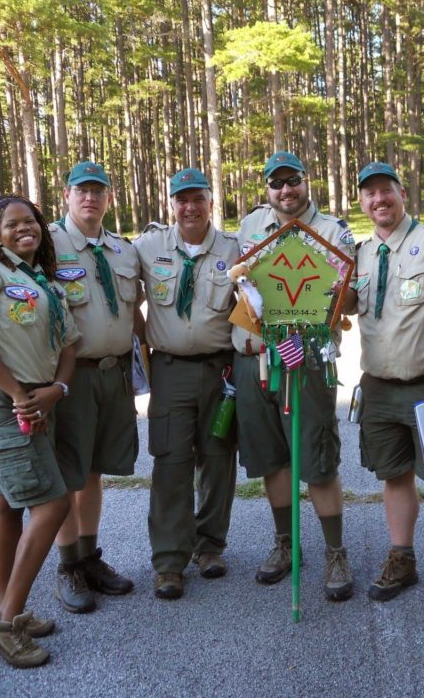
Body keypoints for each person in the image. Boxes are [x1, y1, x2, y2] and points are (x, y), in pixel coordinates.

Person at [0, 162, 141, 615]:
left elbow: (136, 310)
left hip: (100, 375)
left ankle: (87, 558)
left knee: (91, 472)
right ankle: (65, 569)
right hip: (44, 386)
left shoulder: (119, 251)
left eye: (98, 190)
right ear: (66, 195)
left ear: (109, 197)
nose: (90, 197)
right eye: (81, 189)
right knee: (63, 476)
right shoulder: (39, 244)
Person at [341, 162, 424, 618]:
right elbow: (346, 305)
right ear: (361, 202)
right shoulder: (360, 254)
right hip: (378, 387)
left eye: (387, 190)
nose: (379, 199)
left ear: (402, 193)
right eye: (370, 194)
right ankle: (403, 558)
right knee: (394, 476)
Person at [0, 195, 80, 668]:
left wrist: (56, 390)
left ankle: (0, 605)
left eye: (31, 221)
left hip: (33, 399)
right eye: (12, 223)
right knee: (52, 505)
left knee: (7, 504)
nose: (25, 228)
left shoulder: (41, 279)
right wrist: (18, 394)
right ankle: (6, 624)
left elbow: (68, 345)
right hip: (2, 400)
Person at [232, 150, 355, 601]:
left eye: (293, 181)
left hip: (306, 360)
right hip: (255, 358)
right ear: (267, 188)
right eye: (276, 183)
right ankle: (285, 544)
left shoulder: (333, 232)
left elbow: (349, 298)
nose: (286, 190)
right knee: (272, 459)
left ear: (306, 181)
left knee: (316, 460)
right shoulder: (250, 226)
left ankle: (335, 552)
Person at [134, 168, 240, 599]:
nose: (190, 207)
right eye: (182, 199)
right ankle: (169, 562)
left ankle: (210, 546)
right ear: (171, 205)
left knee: (217, 459)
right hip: (170, 370)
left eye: (198, 199)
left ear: (211, 203)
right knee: (171, 464)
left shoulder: (234, 249)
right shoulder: (147, 247)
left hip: (220, 371)